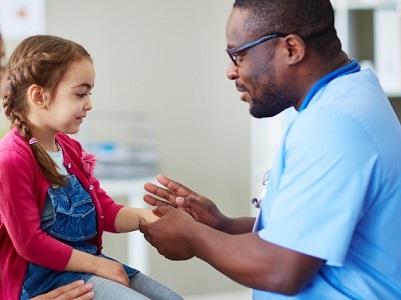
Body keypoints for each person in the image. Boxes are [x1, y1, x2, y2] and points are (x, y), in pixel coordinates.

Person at [139, 0, 401, 299]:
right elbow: (310, 237)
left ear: (291, 49)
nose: (231, 71)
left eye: (238, 55)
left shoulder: (333, 125)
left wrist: (191, 236)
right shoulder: (348, 98)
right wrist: (223, 226)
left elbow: (281, 268)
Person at [0, 35, 182, 300]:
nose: (89, 103)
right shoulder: (12, 159)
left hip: (85, 264)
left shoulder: (68, 148)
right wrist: (99, 265)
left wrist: (151, 217)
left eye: (89, 93)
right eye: (80, 93)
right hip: (44, 279)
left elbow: (104, 210)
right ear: (39, 95)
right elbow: (30, 243)